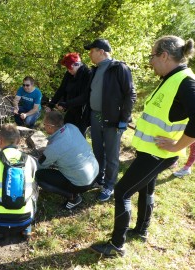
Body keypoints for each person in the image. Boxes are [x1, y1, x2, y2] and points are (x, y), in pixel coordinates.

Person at [90, 35, 195, 257]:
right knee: (147, 187)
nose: (150, 61)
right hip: (152, 151)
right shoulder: (171, 77)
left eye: (152, 56)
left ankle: (117, 245)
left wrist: (177, 146)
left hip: (158, 154)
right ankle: (141, 230)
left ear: (164, 55)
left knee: (121, 192)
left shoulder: (185, 81)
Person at [84, 39, 137, 201]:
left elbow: (130, 94)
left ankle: (109, 185)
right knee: (98, 151)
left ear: (101, 51)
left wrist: (124, 119)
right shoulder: (95, 70)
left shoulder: (119, 68)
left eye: (91, 51)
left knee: (112, 155)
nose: (89, 54)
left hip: (112, 120)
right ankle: (98, 179)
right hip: (95, 116)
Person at [0, 124, 38, 240]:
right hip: (25, 218)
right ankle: (26, 229)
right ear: (19, 141)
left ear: (0, 141)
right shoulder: (30, 160)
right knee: (34, 184)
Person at [35, 111, 99, 210]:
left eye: (45, 124)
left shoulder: (54, 148)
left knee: (38, 175)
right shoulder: (71, 127)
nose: (44, 126)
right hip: (94, 173)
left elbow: (39, 165)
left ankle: (73, 197)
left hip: (82, 184)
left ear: (50, 126)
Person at [46, 52, 92, 136]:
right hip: (71, 108)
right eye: (67, 69)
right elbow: (61, 89)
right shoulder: (69, 74)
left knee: (79, 134)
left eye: (70, 68)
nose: (69, 70)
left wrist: (66, 104)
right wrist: (51, 104)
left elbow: (84, 97)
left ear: (77, 64)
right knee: (66, 130)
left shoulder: (87, 74)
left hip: (83, 110)